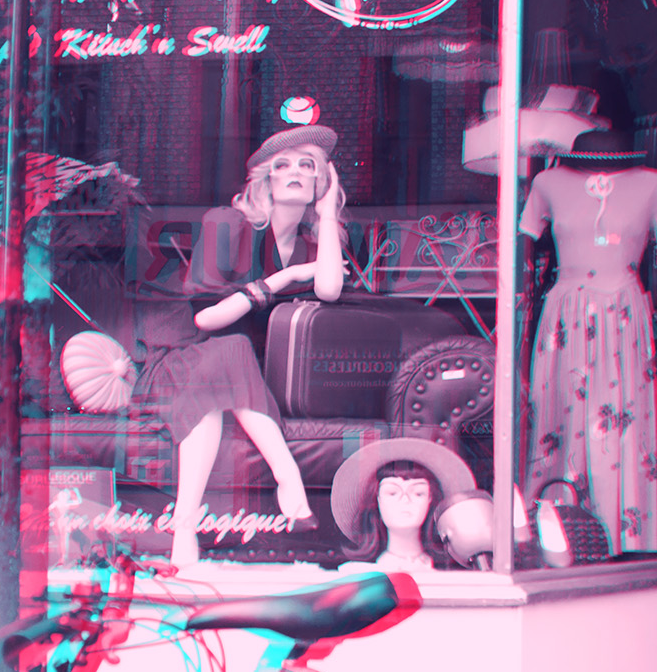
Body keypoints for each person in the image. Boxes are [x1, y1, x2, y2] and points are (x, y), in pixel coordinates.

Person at [130, 123, 353, 570]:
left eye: (307, 166)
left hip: (244, 381)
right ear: (267, 181)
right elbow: (206, 319)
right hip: (178, 361)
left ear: (321, 180)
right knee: (229, 348)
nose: (295, 172)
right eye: (282, 166)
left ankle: (184, 532)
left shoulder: (314, 242)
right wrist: (283, 278)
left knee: (230, 359)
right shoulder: (226, 223)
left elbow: (329, 289)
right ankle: (288, 479)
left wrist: (328, 214)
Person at [521, 127, 657, 554]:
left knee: (623, 417)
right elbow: (526, 247)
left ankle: (623, 532)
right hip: (565, 308)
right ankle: (554, 529)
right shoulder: (548, 183)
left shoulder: (655, 184)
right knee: (558, 413)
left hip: (624, 310)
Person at [329, 437, 479, 575]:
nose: (405, 499)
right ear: (377, 500)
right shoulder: (357, 574)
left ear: (430, 500)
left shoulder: (450, 577)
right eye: (392, 493)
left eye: (418, 493)